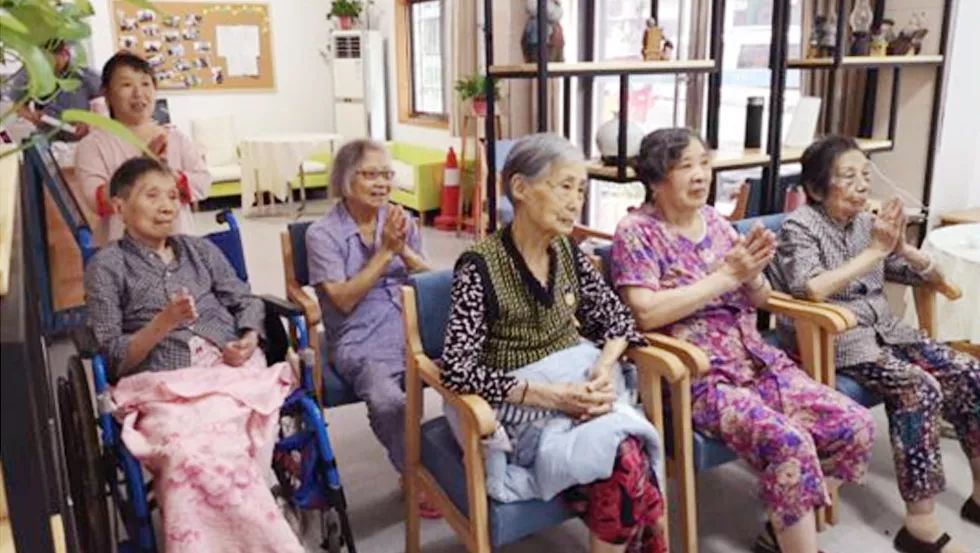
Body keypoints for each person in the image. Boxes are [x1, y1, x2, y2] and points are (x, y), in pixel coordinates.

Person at [611, 128, 875, 553]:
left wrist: (752, 275)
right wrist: (725, 277)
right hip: (698, 379)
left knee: (855, 426)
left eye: (704, 163)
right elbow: (645, 313)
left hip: (758, 362)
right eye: (686, 166)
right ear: (656, 180)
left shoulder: (716, 222)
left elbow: (761, 297)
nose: (701, 175)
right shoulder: (636, 232)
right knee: (789, 443)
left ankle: (782, 525)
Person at [442, 133, 667, 553]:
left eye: (581, 190)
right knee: (626, 461)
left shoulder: (568, 251)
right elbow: (457, 369)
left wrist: (604, 367)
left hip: (578, 387)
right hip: (521, 406)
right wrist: (553, 397)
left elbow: (617, 320)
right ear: (520, 188)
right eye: (565, 186)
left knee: (626, 460)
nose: (575, 201)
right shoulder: (478, 267)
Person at [770, 134, 979, 553]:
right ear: (816, 189)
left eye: (865, 175)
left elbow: (929, 276)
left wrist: (903, 249)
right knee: (918, 388)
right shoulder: (799, 226)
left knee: (969, 371)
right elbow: (810, 288)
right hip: (839, 339)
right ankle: (920, 524)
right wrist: (874, 253)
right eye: (848, 177)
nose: (862, 185)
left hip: (887, 330)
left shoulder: (868, 222)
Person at [84, 157, 303, 553]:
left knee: (217, 446)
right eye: (152, 196)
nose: (167, 206)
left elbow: (245, 300)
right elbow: (112, 357)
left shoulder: (200, 251)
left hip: (228, 372)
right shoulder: (107, 266)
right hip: (163, 386)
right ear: (119, 207)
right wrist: (162, 324)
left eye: (172, 196)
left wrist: (249, 337)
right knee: (189, 453)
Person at [304, 139, 437, 515]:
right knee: (389, 401)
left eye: (387, 174)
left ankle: (465, 465)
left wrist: (404, 250)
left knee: (476, 370)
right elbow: (343, 301)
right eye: (371, 175)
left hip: (411, 320)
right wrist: (386, 253)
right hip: (359, 334)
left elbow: (430, 278)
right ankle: (414, 472)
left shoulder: (399, 220)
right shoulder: (322, 234)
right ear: (346, 180)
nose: (382, 183)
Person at [75, 51, 210, 243]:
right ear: (107, 94)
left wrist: (172, 177)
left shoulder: (175, 138)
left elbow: (202, 182)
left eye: (145, 84)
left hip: (179, 248)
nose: (138, 93)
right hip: (122, 254)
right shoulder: (93, 145)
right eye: (126, 85)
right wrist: (143, 168)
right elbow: (96, 201)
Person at [3, 40, 101, 141]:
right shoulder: (28, 73)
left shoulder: (88, 77)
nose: (48, 69)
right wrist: (32, 116)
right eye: (43, 63)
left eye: (52, 63)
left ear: (65, 54)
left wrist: (89, 123)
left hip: (85, 139)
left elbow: (105, 108)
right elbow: (18, 105)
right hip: (48, 138)